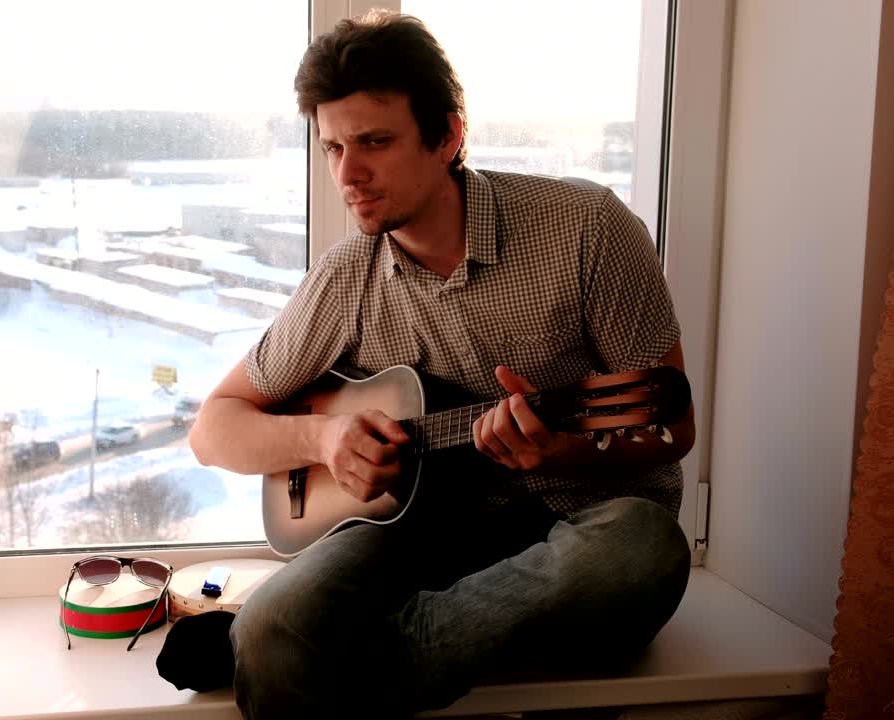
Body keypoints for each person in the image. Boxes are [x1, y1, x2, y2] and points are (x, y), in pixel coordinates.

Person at [188, 9, 695, 719]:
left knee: (642, 551)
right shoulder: (345, 281)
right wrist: (323, 439)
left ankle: (361, 658)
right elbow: (213, 426)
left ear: (449, 134)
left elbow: (673, 428)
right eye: (332, 147)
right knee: (275, 624)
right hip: (423, 534)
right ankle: (337, 646)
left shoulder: (588, 229)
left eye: (374, 142)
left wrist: (564, 446)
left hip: (579, 527)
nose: (348, 174)